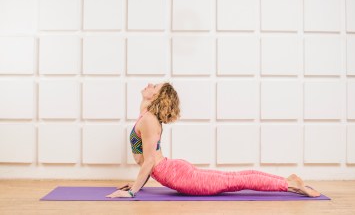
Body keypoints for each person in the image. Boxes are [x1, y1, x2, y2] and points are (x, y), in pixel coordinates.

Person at [106, 82, 320, 198]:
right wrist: (137, 184)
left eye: (155, 87)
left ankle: (288, 184)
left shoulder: (150, 121)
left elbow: (150, 161)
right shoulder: (146, 114)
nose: (150, 84)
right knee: (235, 177)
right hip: (176, 170)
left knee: (237, 180)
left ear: (156, 98)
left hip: (181, 177)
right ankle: (287, 181)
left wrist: (133, 191)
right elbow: (148, 159)